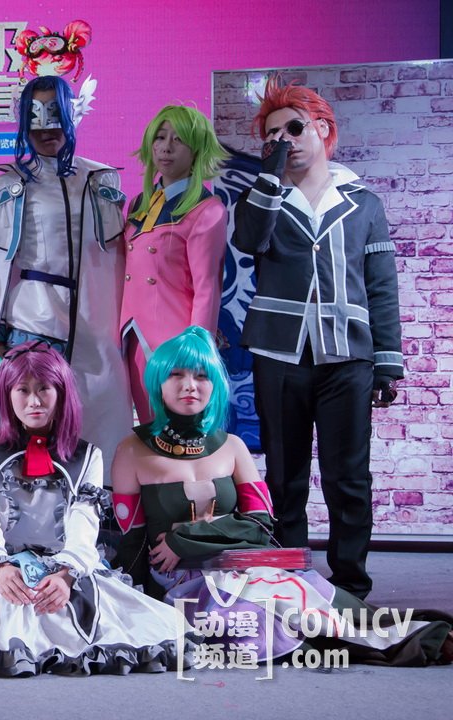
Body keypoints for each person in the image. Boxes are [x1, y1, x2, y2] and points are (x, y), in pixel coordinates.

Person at [112, 327, 450, 664]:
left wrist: (185, 538)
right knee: (267, 627)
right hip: (180, 585)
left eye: (201, 376)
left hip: (245, 566)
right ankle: (410, 646)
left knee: (316, 600)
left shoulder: (232, 447)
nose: (189, 385)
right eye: (176, 375)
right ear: (157, 382)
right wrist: (136, 606)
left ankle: (425, 636)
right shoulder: (131, 450)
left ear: (214, 384)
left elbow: (261, 527)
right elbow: (133, 543)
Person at [0, 342, 183, 677]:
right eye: (22, 390)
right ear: (7, 395)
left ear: (62, 393)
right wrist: (0, 567)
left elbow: (84, 522)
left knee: (96, 623)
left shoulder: (88, 456)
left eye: (44, 389)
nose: (34, 401)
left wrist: (66, 575)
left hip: (66, 567)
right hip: (5, 568)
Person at [232, 77, 403, 601]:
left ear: (324, 129)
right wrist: (268, 175)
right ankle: (289, 580)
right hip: (278, 354)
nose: (284, 140)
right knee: (285, 477)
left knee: (347, 476)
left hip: (347, 356)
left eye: (294, 128)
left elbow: (380, 285)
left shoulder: (363, 203)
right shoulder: (264, 196)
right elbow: (247, 239)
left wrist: (387, 362)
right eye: (272, 134)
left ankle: (350, 584)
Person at [0, 74, 129, 475]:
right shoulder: (9, 185)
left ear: (72, 117)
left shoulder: (98, 180)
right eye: (36, 120)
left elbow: (116, 261)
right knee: (30, 422)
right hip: (30, 320)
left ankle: (91, 501)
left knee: (90, 420)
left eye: (55, 118)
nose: (46, 131)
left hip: (89, 324)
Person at [121, 105, 229, 422]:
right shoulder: (138, 204)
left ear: (196, 150)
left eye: (178, 140)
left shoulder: (207, 209)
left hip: (175, 339)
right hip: (131, 335)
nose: (166, 147)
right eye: (160, 137)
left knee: (178, 432)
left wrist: (196, 351)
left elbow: (207, 289)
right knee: (146, 429)